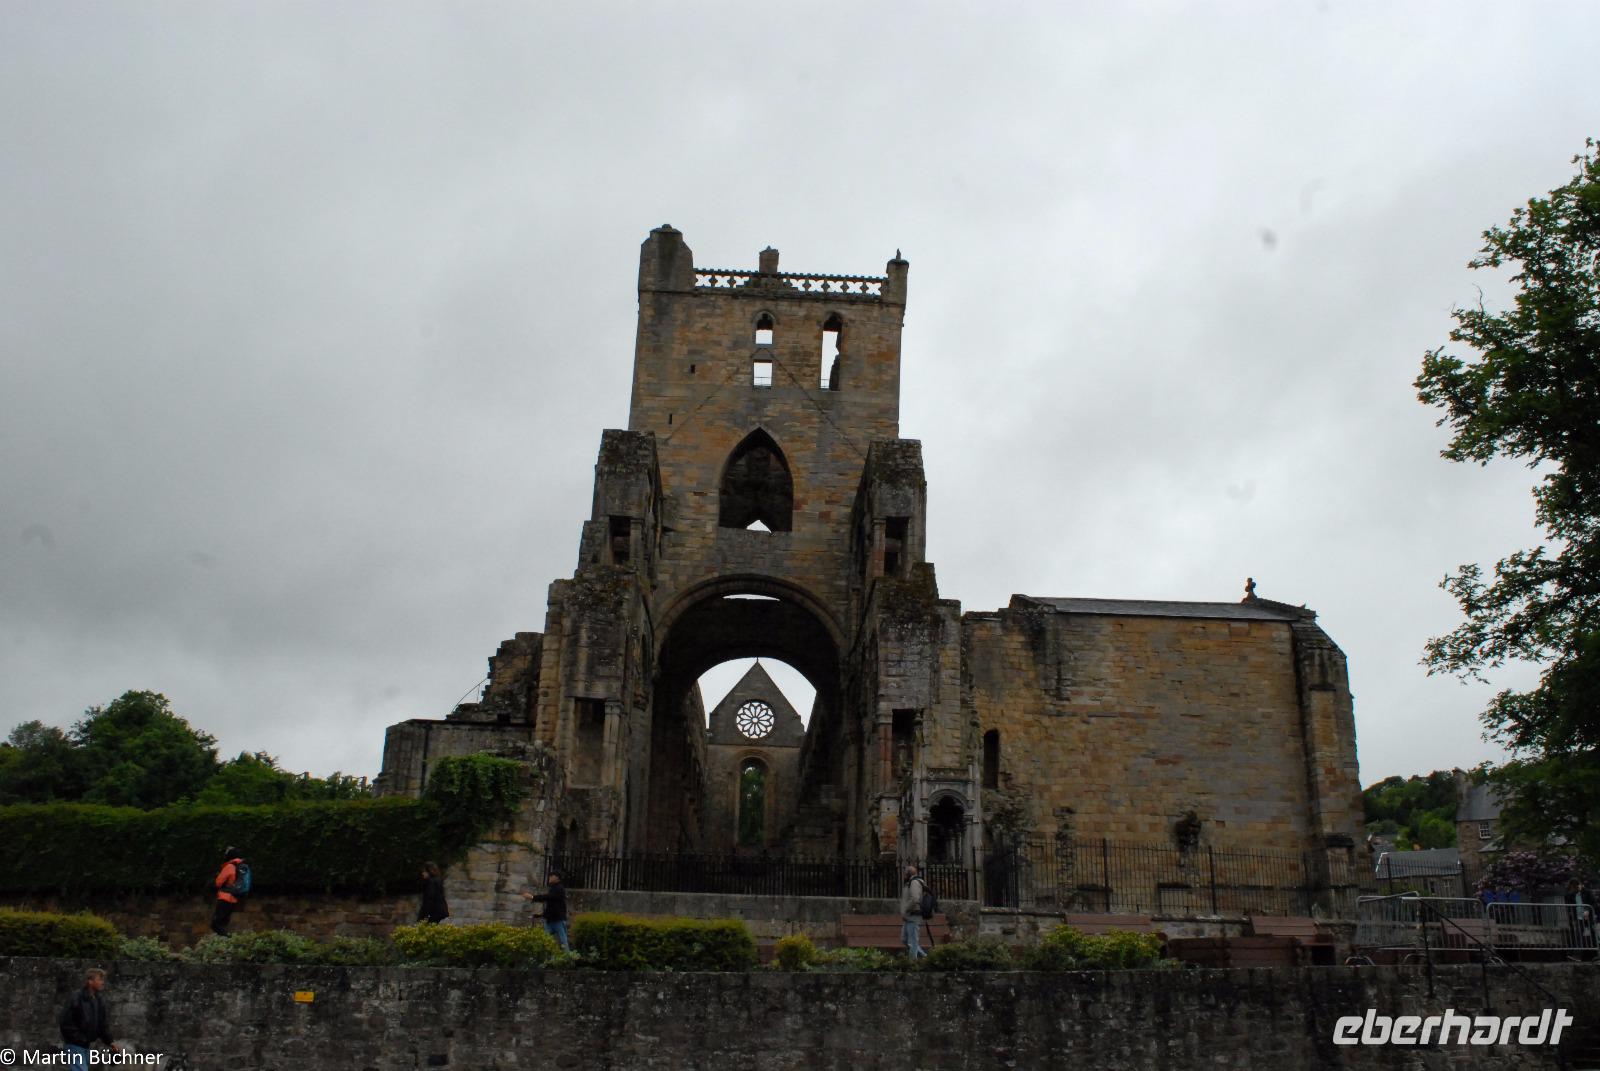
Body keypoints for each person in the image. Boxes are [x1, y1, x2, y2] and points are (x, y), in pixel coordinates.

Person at [59, 967, 120, 1069]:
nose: (103, 983)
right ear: (90, 981)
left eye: (103, 980)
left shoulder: (99, 1000)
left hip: (86, 1046)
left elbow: (102, 1025)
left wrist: (111, 1042)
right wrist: (80, 1038)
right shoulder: (76, 997)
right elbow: (65, 1023)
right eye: (99, 979)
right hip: (75, 1045)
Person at [521, 869, 569, 950]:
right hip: (550, 920)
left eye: (551, 876)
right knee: (544, 941)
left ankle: (568, 957)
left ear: (557, 878)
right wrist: (540, 915)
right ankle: (543, 956)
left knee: (563, 942)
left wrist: (533, 897)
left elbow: (548, 897)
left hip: (558, 920)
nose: (549, 877)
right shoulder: (553, 888)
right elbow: (552, 906)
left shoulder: (559, 888)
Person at [212, 846, 245, 936]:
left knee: (215, 925)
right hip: (233, 899)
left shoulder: (229, 866)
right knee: (223, 924)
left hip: (224, 898)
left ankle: (230, 938)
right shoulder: (239, 866)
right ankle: (225, 942)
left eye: (226, 853)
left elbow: (218, 883)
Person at [900, 864, 928, 961]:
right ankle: (925, 956)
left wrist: (905, 909)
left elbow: (915, 899)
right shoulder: (910, 882)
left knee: (912, 941)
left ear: (908, 874)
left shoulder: (914, 882)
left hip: (913, 915)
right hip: (908, 916)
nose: (903, 875)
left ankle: (912, 962)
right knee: (904, 939)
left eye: (905, 873)